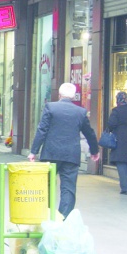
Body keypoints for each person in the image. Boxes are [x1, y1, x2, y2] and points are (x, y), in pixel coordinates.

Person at [29, 82, 100, 218]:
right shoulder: (80, 112)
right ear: (73, 97)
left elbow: (42, 130)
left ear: (59, 94)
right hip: (71, 155)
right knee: (68, 188)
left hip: (51, 153)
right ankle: (63, 220)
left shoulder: (51, 107)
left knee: (47, 186)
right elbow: (89, 133)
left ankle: (46, 216)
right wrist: (94, 151)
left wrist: (34, 151)